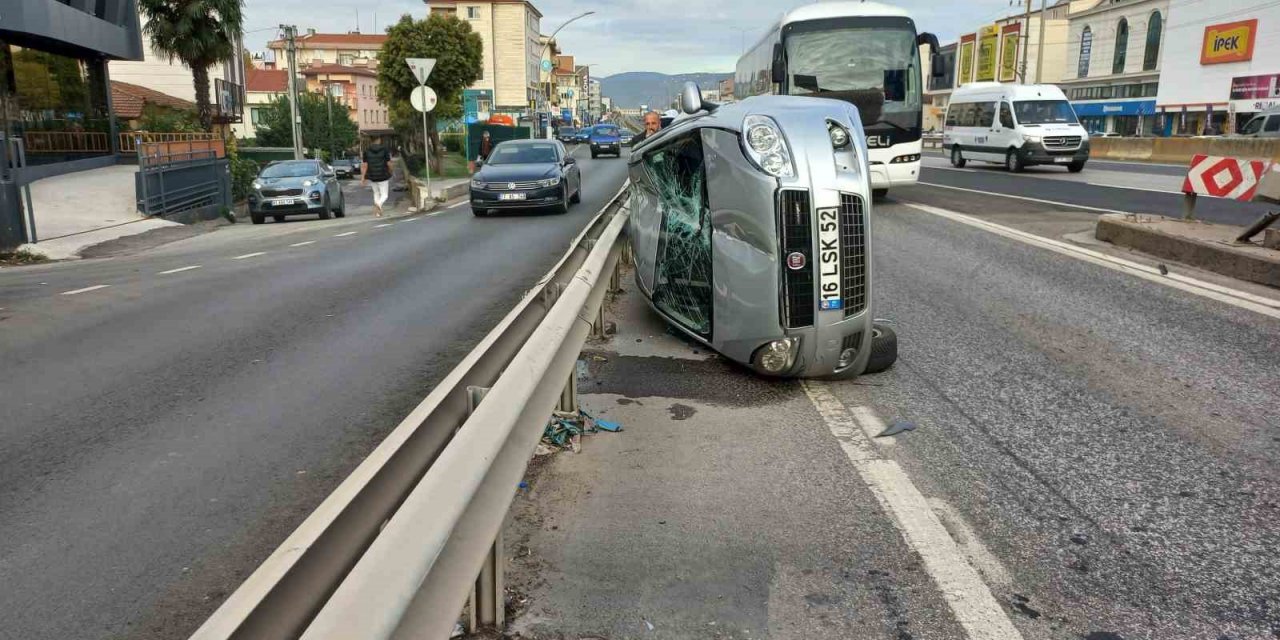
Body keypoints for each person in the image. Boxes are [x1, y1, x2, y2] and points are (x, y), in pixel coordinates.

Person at [361, 139, 393, 217]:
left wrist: (363, 177)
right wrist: (391, 171)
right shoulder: (384, 150)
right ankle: (378, 204)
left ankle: (378, 213)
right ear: (379, 140)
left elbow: (364, 165)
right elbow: (389, 163)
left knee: (376, 193)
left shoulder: (366, 151)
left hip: (372, 176)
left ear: (371, 140)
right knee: (384, 195)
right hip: (383, 175)